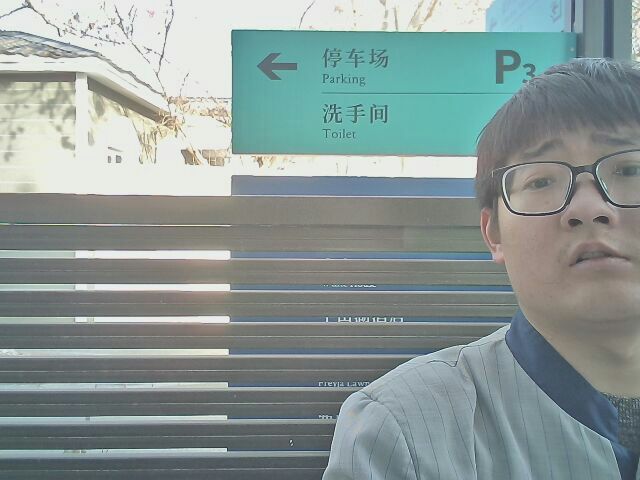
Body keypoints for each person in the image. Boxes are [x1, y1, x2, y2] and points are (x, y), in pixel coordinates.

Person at [322, 57, 640, 480]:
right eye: (541, 181)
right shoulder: (401, 430)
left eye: (629, 169)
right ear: (493, 234)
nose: (587, 207)